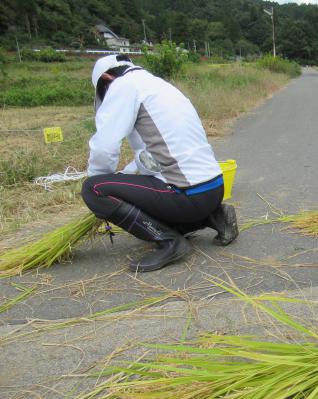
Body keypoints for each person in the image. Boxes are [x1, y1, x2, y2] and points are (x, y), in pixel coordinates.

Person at [81, 54, 238, 272]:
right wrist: (121, 177)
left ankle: (170, 243)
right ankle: (213, 217)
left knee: (92, 189)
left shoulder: (123, 86)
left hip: (187, 196)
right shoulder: (158, 86)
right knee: (144, 204)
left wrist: (99, 183)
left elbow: (104, 147)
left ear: (107, 78)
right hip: (213, 189)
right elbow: (149, 156)